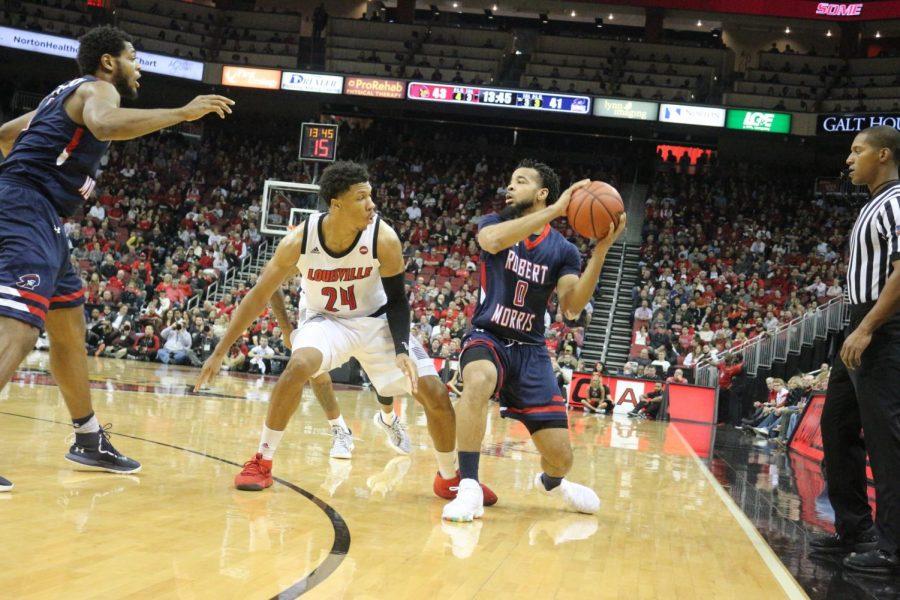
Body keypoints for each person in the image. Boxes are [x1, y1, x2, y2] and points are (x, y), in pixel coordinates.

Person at [0, 25, 234, 490]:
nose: (139, 67)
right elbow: (105, 125)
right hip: (27, 208)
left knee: (68, 327)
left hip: (39, 213)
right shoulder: (99, 89)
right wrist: (183, 113)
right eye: (133, 57)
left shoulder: (59, 96)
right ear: (108, 61)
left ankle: (88, 438)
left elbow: (5, 135)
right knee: (20, 331)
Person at [195, 161, 496, 506]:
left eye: (371, 196)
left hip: (377, 320)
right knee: (299, 365)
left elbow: (398, 300)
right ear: (336, 203)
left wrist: (400, 348)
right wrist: (220, 351)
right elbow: (259, 295)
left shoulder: (383, 237)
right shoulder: (299, 240)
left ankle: (448, 478)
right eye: (362, 198)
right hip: (326, 321)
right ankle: (262, 460)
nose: (372, 205)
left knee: (434, 392)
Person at [442, 160, 626, 522]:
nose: (510, 188)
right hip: (488, 335)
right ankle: (468, 487)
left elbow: (572, 308)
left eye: (520, 182)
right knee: (477, 379)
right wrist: (558, 210)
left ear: (542, 193)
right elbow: (491, 242)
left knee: (562, 458)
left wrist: (601, 250)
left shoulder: (564, 251)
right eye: (510, 181)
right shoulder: (494, 224)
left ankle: (553, 482)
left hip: (531, 350)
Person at [812, 125, 900, 574]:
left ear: (883, 155)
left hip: (882, 328)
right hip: (860, 325)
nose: (849, 158)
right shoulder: (873, 204)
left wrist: (867, 327)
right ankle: (855, 529)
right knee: (837, 426)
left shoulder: (898, 201)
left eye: (857, 150)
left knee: (886, 440)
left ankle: (892, 549)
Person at [269, 286, 410, 458]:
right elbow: (271, 280)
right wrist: (286, 331)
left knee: (382, 369)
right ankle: (339, 428)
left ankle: (388, 418)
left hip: (362, 297)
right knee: (314, 368)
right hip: (319, 304)